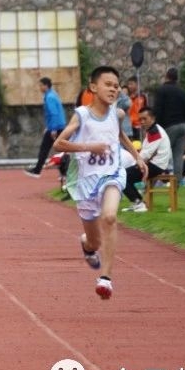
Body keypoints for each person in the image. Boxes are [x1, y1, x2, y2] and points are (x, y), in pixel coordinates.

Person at [54, 66, 145, 301]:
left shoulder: (119, 114)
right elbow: (59, 144)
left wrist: (137, 157)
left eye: (116, 85)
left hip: (112, 174)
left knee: (110, 217)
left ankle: (105, 278)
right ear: (93, 87)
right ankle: (87, 245)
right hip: (86, 182)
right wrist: (88, 147)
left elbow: (119, 135)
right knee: (94, 239)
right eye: (108, 84)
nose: (113, 89)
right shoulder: (82, 116)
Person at [122, 107, 171, 213]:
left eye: (145, 119)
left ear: (152, 118)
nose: (142, 122)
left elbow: (145, 155)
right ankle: (137, 202)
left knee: (122, 175)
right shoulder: (153, 130)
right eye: (140, 120)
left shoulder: (155, 132)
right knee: (124, 174)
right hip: (154, 164)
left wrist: (136, 164)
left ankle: (138, 203)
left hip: (155, 166)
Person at [151, 67, 185, 179]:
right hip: (182, 125)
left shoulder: (161, 90)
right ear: (177, 78)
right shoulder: (182, 92)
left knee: (159, 153)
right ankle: (177, 183)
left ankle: (152, 181)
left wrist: (155, 127)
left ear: (166, 76)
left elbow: (158, 110)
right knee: (178, 156)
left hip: (169, 126)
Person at [25, 77, 66, 179]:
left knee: (45, 149)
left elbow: (54, 114)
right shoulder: (51, 95)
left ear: (45, 86)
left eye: (40, 85)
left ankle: (37, 170)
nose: (39, 87)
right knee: (61, 149)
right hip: (57, 126)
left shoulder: (50, 97)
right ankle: (63, 172)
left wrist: (53, 129)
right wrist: (49, 127)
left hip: (56, 127)